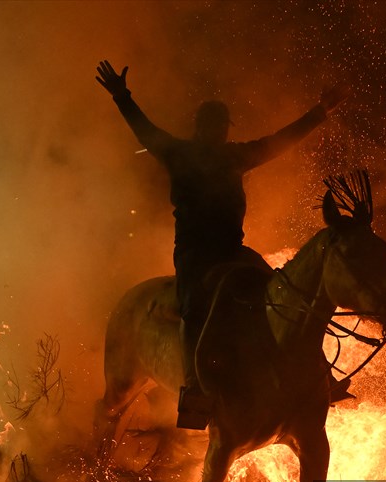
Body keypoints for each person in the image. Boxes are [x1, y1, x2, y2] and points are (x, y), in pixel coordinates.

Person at [96, 60, 348, 428]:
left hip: (233, 251)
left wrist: (320, 112)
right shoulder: (181, 154)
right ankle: (196, 389)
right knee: (194, 309)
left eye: (218, 127)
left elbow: (279, 141)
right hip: (195, 256)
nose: (216, 132)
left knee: (285, 293)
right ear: (203, 128)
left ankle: (321, 374)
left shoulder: (234, 156)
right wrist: (122, 96)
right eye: (211, 126)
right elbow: (145, 132)